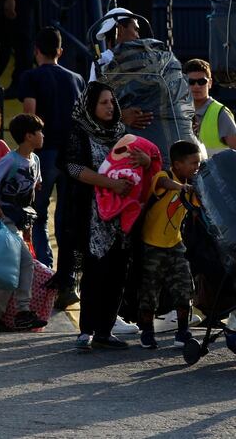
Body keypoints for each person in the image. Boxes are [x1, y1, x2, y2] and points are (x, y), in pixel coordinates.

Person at [60, 83, 155, 349]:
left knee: (118, 270)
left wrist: (145, 162)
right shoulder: (79, 131)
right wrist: (108, 183)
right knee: (95, 271)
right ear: (90, 105)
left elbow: (138, 165)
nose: (110, 107)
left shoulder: (120, 133)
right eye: (103, 103)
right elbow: (74, 167)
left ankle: (105, 329)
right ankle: (86, 330)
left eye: (111, 102)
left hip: (122, 215)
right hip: (92, 215)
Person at [18, 27, 84, 295]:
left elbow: (29, 116)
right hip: (72, 155)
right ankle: (68, 278)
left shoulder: (31, 77)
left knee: (37, 215)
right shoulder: (77, 79)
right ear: (60, 51)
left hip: (44, 154)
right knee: (68, 218)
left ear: (36, 51)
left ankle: (44, 271)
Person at [0, 113, 48, 332]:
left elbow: (33, 189)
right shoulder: (10, 159)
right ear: (29, 136)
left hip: (20, 221)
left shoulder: (35, 160)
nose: (42, 136)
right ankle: (22, 311)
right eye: (39, 132)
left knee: (10, 268)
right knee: (25, 262)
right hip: (5, 219)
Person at [138, 140, 201, 350]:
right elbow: (164, 185)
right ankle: (147, 332)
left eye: (198, 163)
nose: (196, 167)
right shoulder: (164, 177)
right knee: (149, 292)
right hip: (151, 246)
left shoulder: (193, 186)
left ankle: (182, 332)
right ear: (177, 164)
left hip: (175, 245)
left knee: (184, 289)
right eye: (192, 163)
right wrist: (182, 187)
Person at [87, 7, 153, 131]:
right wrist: (120, 116)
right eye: (135, 29)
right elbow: (91, 105)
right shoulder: (103, 62)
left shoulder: (146, 60)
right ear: (121, 30)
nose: (138, 36)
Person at [183, 58, 236, 156]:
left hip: (217, 171)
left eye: (201, 81)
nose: (196, 86)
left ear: (210, 83)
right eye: (191, 82)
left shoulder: (220, 113)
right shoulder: (178, 112)